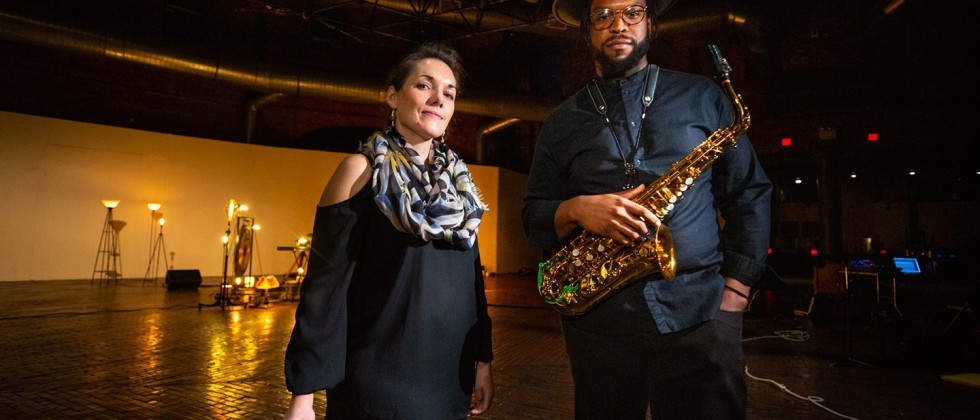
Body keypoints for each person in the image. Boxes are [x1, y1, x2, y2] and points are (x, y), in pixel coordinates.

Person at [523, 0, 773, 419]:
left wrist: (736, 290)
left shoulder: (703, 96)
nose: (618, 24)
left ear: (650, 23)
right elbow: (533, 214)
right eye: (603, 15)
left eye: (632, 12)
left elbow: (749, 192)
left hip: (700, 313)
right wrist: (578, 209)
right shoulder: (562, 120)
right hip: (599, 323)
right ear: (587, 30)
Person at [284, 42, 493, 420]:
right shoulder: (360, 171)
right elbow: (325, 288)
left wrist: (482, 359)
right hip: (378, 380)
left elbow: (471, 285)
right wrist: (303, 394)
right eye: (424, 86)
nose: (438, 99)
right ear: (393, 96)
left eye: (449, 93)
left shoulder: (461, 188)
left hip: (449, 380)